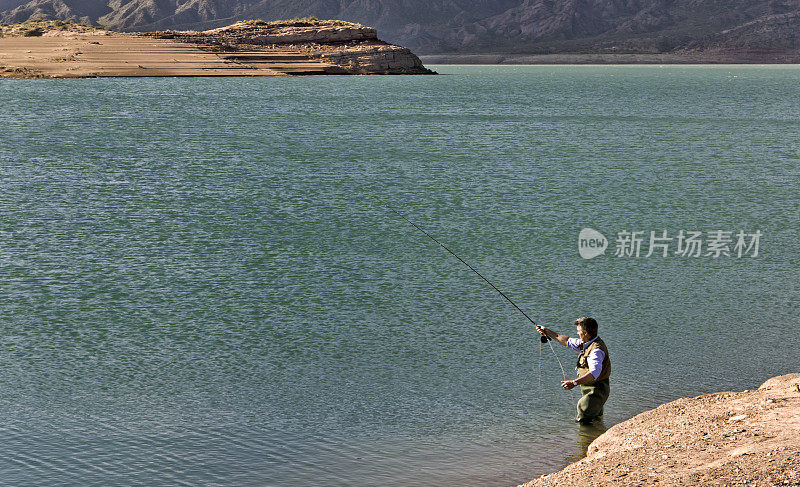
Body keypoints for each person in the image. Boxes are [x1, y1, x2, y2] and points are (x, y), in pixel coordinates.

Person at [535, 317, 610, 423]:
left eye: (579, 332)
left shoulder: (596, 350)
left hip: (597, 390)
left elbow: (594, 373)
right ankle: (597, 434)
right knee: (594, 418)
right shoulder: (586, 343)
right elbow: (566, 340)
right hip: (591, 390)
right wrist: (547, 331)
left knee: (583, 412)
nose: (578, 334)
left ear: (586, 333)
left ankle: (586, 438)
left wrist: (574, 383)